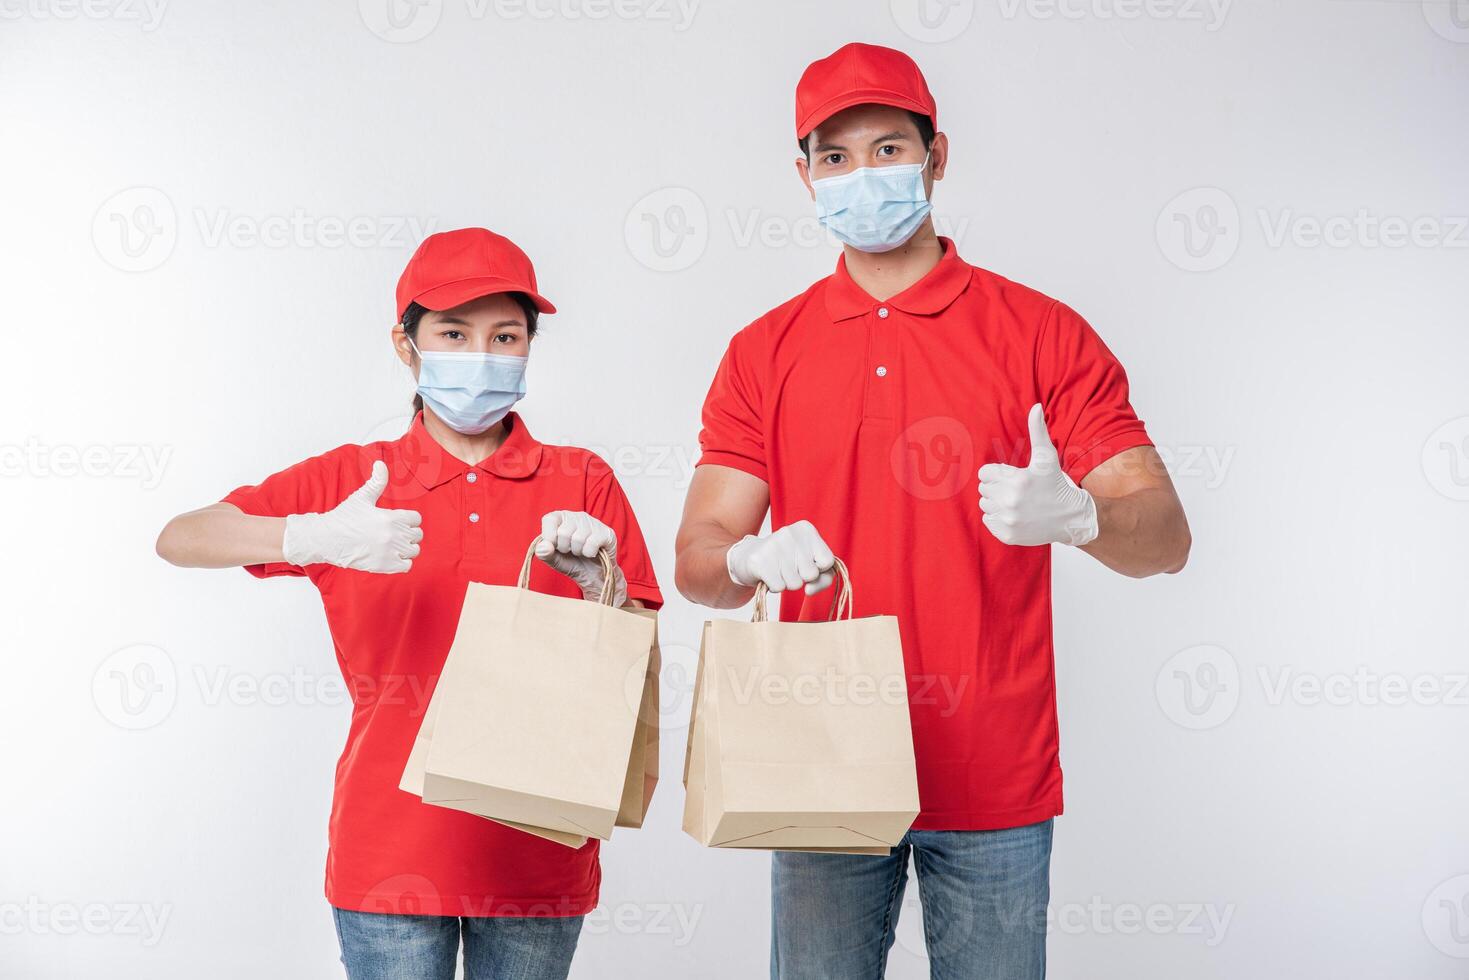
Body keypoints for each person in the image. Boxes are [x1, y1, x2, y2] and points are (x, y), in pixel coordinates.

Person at [673, 43, 1191, 980]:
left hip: (992, 771)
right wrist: (747, 559)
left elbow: (1165, 540)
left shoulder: (1041, 333)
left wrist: (1080, 518)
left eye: (886, 149)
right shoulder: (763, 351)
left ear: (935, 155)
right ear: (803, 177)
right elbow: (698, 563)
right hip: (818, 757)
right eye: (834, 158)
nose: (860, 176)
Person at [155, 227, 663, 980]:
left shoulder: (581, 480)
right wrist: (308, 534)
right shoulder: (356, 482)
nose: (483, 354)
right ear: (407, 343)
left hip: (537, 851)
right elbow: (182, 536)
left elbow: (636, 655)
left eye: (506, 335)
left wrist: (604, 590)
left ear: (530, 345)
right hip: (389, 853)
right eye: (455, 334)